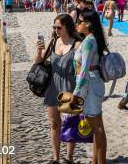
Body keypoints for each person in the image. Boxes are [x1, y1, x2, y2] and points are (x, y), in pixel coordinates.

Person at [35, 14, 82, 164]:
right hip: (52, 86)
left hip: (69, 85)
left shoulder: (76, 44)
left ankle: (69, 158)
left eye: (59, 27)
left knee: (70, 123)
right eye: (54, 27)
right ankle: (55, 158)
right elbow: (39, 62)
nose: (56, 30)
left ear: (67, 27)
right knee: (54, 123)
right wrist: (38, 51)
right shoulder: (53, 41)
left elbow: (82, 67)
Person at [71, 10, 108, 164]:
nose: (77, 25)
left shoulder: (88, 42)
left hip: (90, 84)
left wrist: (76, 93)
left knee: (96, 127)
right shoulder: (94, 39)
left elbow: (84, 69)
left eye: (79, 22)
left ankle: (100, 161)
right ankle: (97, 160)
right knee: (98, 125)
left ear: (88, 24)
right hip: (95, 82)